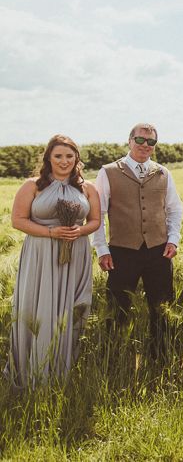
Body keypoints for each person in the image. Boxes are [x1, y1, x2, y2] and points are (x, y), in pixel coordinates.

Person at [5, 135, 100, 388]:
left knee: (70, 308)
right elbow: (18, 220)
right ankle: (32, 371)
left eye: (70, 156)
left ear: (77, 159)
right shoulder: (33, 185)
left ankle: (62, 369)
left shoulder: (87, 188)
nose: (64, 161)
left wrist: (78, 232)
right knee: (38, 308)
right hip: (41, 254)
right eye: (58, 156)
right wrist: (50, 232)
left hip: (75, 253)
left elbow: (96, 221)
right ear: (48, 157)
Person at [92, 123, 183, 359]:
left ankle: (160, 360)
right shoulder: (108, 171)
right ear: (130, 140)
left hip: (159, 251)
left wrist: (173, 239)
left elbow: (174, 209)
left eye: (151, 142)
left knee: (161, 310)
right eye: (140, 140)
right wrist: (102, 249)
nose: (145, 145)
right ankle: (114, 361)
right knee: (117, 310)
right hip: (122, 251)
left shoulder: (163, 172)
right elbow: (97, 214)